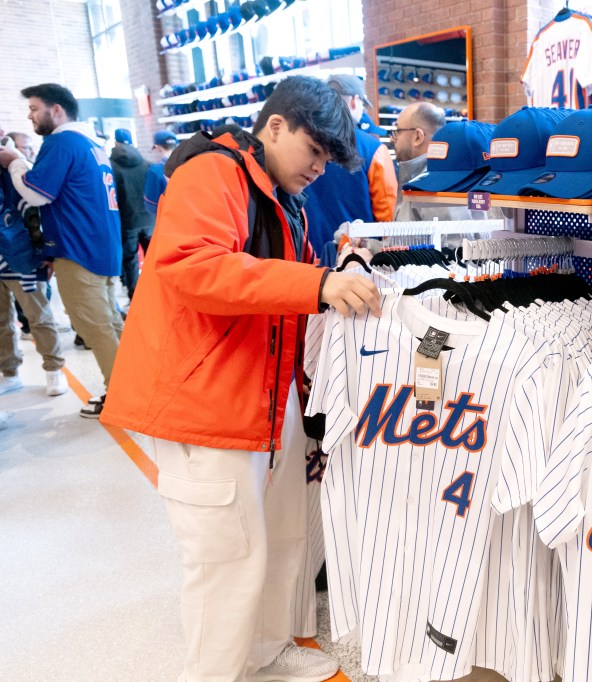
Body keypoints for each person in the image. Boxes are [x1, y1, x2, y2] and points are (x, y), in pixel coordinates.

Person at [100, 75, 380, 682]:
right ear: (274, 126)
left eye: (329, 159)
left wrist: (331, 270)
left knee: (278, 534)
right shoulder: (214, 173)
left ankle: (267, 649)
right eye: (315, 151)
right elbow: (193, 266)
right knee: (226, 557)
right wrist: (318, 284)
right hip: (205, 398)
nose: (320, 169)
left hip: (261, 391)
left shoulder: (278, 195)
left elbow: (279, 283)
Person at [0, 83, 122, 418]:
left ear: (56, 110)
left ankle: (123, 396)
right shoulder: (90, 143)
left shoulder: (61, 141)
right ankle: (132, 386)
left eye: (34, 108)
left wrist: (15, 161)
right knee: (109, 322)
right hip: (100, 246)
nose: (30, 116)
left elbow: (37, 192)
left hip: (79, 250)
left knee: (95, 325)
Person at [0, 128, 67, 397]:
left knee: (39, 317)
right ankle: (10, 372)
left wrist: (46, 253)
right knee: (1, 323)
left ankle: (54, 369)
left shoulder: (15, 164)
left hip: (23, 257)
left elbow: (39, 209)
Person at [302, 74, 397, 260]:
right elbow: (388, 221)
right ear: (355, 100)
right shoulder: (373, 149)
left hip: (306, 259)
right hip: (357, 260)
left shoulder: (302, 142)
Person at [392, 101, 485, 224]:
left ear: (417, 137)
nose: (392, 138)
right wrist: (369, 243)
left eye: (398, 131)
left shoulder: (435, 185)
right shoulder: (418, 178)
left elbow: (454, 242)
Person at [110, 129, 156, 300]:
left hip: (127, 220)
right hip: (149, 218)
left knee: (130, 260)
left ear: (115, 143)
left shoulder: (110, 167)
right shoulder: (147, 163)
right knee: (154, 257)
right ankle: (158, 292)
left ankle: (136, 297)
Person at [143, 129, 177, 216]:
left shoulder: (155, 171)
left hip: (169, 221)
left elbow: (151, 205)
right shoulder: (191, 164)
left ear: (158, 147)